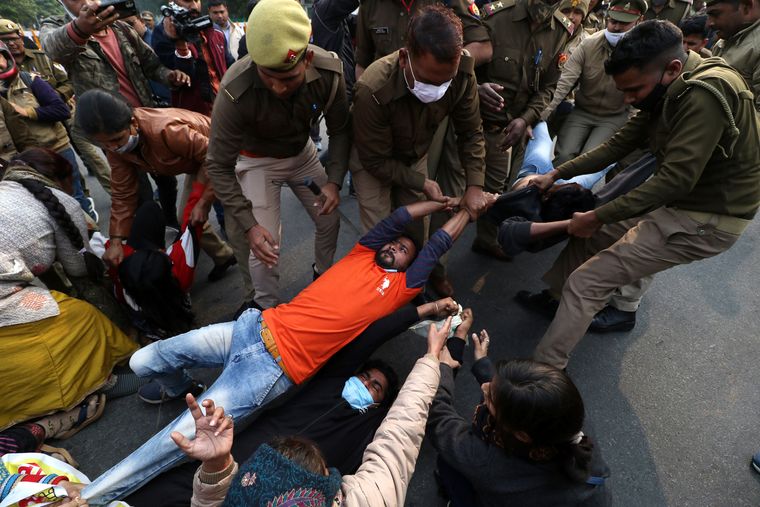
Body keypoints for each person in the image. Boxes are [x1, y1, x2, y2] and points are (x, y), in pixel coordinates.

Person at [80, 196, 492, 504]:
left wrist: (466, 214)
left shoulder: (401, 289)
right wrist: (440, 202)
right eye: (394, 244)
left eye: (405, 251)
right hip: (252, 327)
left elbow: (435, 246)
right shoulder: (361, 253)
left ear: (409, 268)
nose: (396, 248)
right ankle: (179, 385)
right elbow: (397, 218)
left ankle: (89, 498)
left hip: (272, 369)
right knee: (143, 360)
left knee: (168, 446)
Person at [516, 20, 760, 369]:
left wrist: (597, 215)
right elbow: (622, 142)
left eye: (634, 91)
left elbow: (675, 180)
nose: (629, 100)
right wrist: (556, 173)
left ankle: (540, 380)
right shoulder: (675, 84)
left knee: (588, 282)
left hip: (705, 219)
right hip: (683, 199)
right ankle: (557, 301)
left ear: (672, 68)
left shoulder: (703, 93)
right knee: (593, 230)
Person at [124, 297, 462, 506]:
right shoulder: (332, 381)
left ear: (379, 404)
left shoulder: (371, 425)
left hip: (290, 497)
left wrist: (454, 343)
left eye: (376, 388)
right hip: (230, 460)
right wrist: (425, 310)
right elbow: (373, 336)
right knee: (153, 497)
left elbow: (417, 410)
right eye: (366, 377)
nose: (368, 385)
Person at [206, 0, 351, 309]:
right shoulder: (235, 90)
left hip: (303, 155)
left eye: (288, 78)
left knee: (329, 219)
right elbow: (218, 165)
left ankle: (322, 280)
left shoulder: (328, 72)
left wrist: (334, 182)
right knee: (264, 245)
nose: (277, 88)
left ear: (308, 57)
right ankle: (264, 312)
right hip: (257, 163)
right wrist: (249, 224)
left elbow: (341, 131)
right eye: (267, 76)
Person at [352, 6, 488, 297]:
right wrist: (421, 182)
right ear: (404, 58)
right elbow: (374, 160)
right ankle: (374, 297)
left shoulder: (462, 72)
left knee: (416, 232)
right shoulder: (373, 88)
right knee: (379, 235)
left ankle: (412, 288)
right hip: (374, 160)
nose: (437, 89)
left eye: (445, 81)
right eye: (428, 81)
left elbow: (471, 132)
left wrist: (475, 185)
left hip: (415, 156)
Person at [0, 148, 137, 432]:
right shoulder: (63, 204)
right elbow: (79, 271)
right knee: (83, 317)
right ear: (63, 179)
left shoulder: (7, 189)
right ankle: (98, 382)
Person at [40, 0, 191, 228]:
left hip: (144, 120)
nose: (87, 2)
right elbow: (53, 48)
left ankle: (170, 218)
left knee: (167, 180)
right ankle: (153, 243)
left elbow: (152, 66)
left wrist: (170, 76)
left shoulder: (121, 28)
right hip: (111, 130)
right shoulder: (57, 27)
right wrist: (80, 29)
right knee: (140, 192)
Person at [452, 0, 577, 261]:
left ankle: (486, 239)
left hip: (511, 128)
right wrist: (478, 87)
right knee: (454, 190)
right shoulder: (495, 17)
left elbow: (549, 88)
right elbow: (461, 64)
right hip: (472, 123)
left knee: (498, 191)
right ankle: (435, 260)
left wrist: (526, 119)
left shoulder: (562, 32)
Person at [74, 89, 237, 282]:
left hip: (223, 154)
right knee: (188, 215)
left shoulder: (165, 129)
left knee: (234, 210)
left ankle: (255, 264)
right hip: (199, 163)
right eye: (105, 145)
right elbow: (123, 193)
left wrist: (203, 201)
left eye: (117, 139)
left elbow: (215, 157)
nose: (113, 148)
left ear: (133, 123)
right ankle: (224, 256)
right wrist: (116, 240)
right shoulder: (117, 150)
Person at [428, 340, 611, 506]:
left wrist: (442, 367)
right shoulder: (570, 417)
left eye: (490, 398)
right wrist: (482, 363)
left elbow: (439, 419)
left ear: (521, 435)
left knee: (449, 465)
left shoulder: (487, 462)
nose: (484, 387)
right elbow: (518, 400)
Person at [0, 17, 113, 196]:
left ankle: (116, 193)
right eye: (6, 40)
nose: (12, 43)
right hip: (41, 128)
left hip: (66, 112)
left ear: (21, 36)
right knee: (66, 173)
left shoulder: (42, 57)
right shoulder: (5, 70)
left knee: (91, 154)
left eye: (14, 37)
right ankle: (83, 197)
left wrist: (54, 97)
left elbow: (68, 82)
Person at [0, 40, 97, 221]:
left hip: (55, 148)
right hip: (23, 161)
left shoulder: (30, 80)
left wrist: (27, 112)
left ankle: (94, 237)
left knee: (74, 197)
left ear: (7, 58)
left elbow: (61, 110)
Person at [543, 0, 644, 166]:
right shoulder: (588, 45)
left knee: (589, 160)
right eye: (613, 21)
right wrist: (537, 118)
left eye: (624, 23)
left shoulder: (643, 53)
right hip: (583, 111)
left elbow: (639, 100)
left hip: (614, 117)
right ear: (606, 18)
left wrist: (628, 133)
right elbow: (563, 84)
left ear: (638, 22)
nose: (617, 27)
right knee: (564, 156)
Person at [152, 0, 234, 115]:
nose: (194, 6)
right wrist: (180, 43)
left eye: (197, 0)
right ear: (172, 2)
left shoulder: (214, 29)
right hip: (194, 114)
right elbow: (182, 78)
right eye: (187, 1)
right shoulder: (163, 33)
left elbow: (229, 64)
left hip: (225, 106)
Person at [708, 0, 760, 110]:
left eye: (716, 14)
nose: (709, 23)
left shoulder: (756, 47)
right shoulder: (726, 39)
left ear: (746, 7)